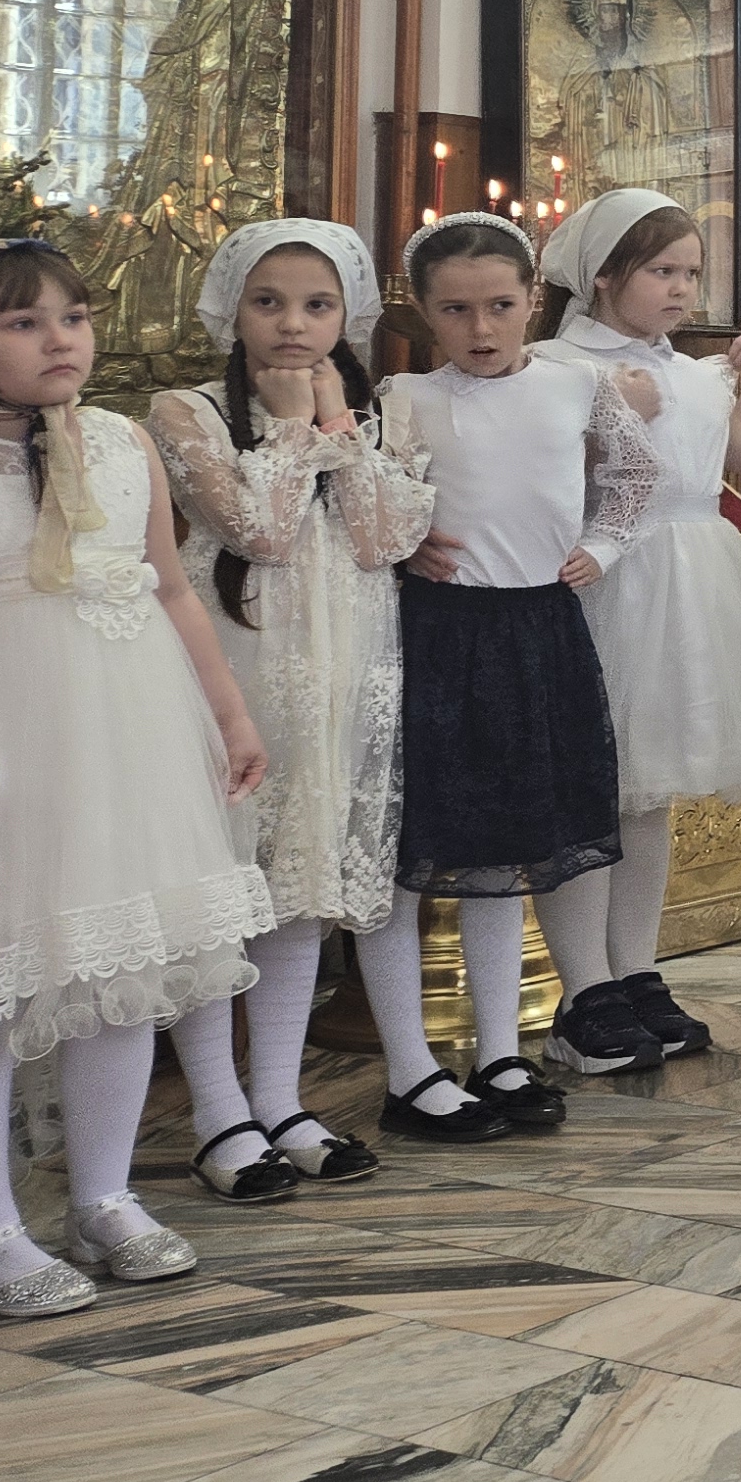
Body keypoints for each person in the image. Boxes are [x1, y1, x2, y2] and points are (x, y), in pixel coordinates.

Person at [0, 239, 273, 1315]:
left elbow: (170, 589)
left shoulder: (119, 441)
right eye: (22, 322)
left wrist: (227, 715)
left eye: (73, 316)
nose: (60, 339)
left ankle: (104, 1197)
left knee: (122, 968)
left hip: (128, 746)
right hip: (4, 752)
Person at [149, 223, 436, 1200]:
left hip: (345, 678)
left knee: (300, 894)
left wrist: (338, 430)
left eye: (317, 305)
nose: (292, 324)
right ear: (231, 308)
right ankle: (217, 1112)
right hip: (237, 679)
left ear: (348, 314)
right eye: (267, 301)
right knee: (221, 893)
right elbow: (259, 533)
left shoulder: (379, 413)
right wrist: (285, 430)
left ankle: (279, 1100)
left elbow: (384, 539)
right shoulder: (186, 410)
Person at [378, 214, 657, 1143]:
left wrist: (603, 546)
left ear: (534, 300)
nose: (481, 328)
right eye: (455, 310)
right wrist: (406, 543)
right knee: (420, 843)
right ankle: (411, 1065)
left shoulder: (576, 384)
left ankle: (500, 1050)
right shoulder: (404, 397)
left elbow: (633, 471)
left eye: (500, 305)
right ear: (423, 312)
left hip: (540, 628)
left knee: (508, 848)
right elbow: (372, 503)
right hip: (439, 635)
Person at [535, 188, 741, 1076]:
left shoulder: (693, 371)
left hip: (691, 584)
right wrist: (605, 414)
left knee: (651, 791)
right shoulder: (555, 364)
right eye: (662, 270)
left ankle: (636, 970)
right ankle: (583, 990)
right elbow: (538, 465)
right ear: (603, 274)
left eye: (692, 273)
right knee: (593, 794)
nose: (682, 289)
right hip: (606, 581)